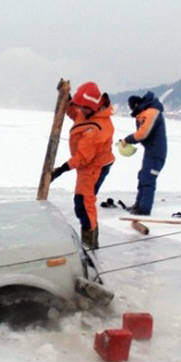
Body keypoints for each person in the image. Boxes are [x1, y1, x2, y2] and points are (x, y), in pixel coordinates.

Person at [50, 81, 115, 249]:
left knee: (84, 204)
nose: (81, 111)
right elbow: (75, 113)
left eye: (83, 108)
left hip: (94, 166)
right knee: (83, 202)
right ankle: (89, 241)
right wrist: (67, 99)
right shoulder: (88, 112)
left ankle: (90, 246)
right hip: (86, 164)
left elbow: (83, 157)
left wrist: (61, 169)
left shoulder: (97, 129)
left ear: (93, 107)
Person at [120, 91, 167, 215]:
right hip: (151, 151)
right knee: (142, 176)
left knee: (148, 179)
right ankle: (139, 204)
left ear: (136, 105)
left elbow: (143, 133)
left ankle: (144, 209)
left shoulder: (152, 112)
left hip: (157, 153)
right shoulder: (145, 112)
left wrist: (128, 139)